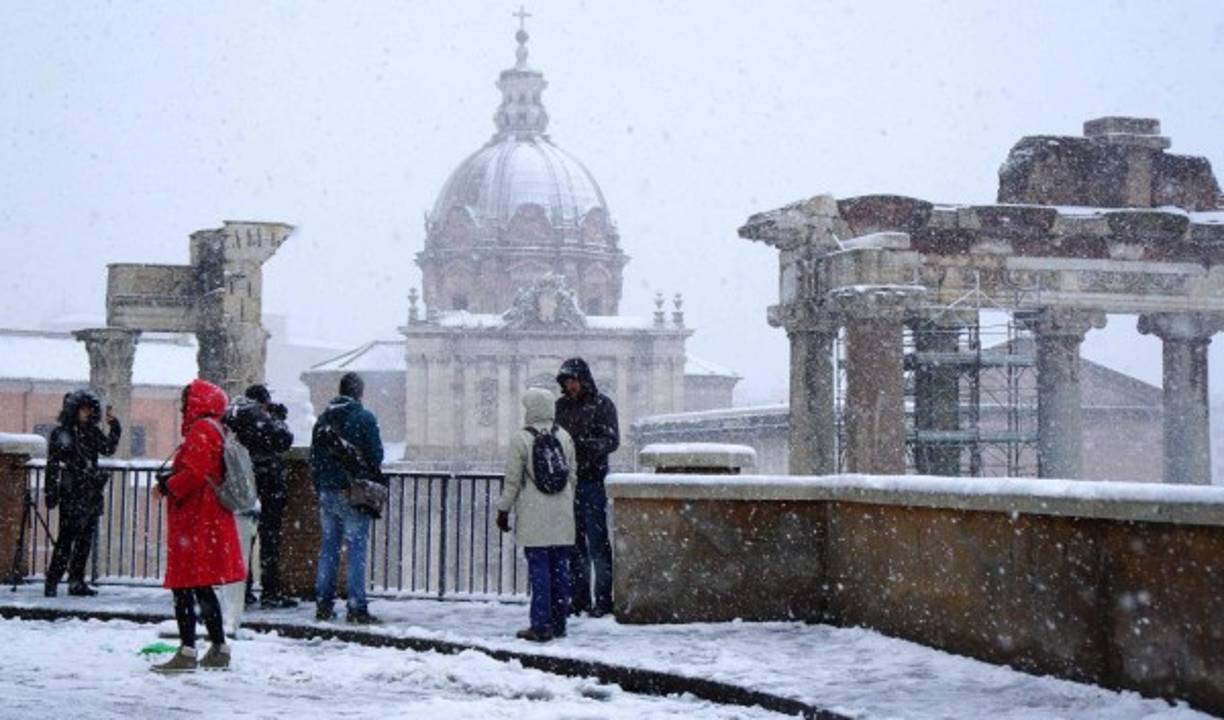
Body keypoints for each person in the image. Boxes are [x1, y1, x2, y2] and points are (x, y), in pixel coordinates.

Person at [151, 379, 246, 672]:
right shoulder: (216, 428)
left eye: (185, 401)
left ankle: (187, 651)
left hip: (195, 519)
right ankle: (218, 648)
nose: (182, 408)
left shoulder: (202, 430)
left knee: (183, 587)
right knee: (202, 587)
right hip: (207, 518)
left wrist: (167, 486)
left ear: (196, 403)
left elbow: (194, 473)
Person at [496, 388, 577, 642]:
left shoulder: (521, 439)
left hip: (534, 514)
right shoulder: (564, 436)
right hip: (562, 514)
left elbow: (512, 481)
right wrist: (565, 502)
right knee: (560, 571)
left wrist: (503, 510)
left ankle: (541, 625)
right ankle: (559, 623)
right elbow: (572, 476)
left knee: (540, 571)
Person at [309, 371, 384, 625]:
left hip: (327, 492)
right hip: (353, 492)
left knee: (329, 549)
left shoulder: (323, 420)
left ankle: (323, 604)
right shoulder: (364, 418)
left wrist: (321, 484)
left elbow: (314, 459)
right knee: (356, 550)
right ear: (360, 393)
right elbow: (376, 455)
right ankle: (356, 607)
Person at [554, 357, 619, 617]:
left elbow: (612, 441)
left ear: (583, 380)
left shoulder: (603, 404)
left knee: (597, 545)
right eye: (567, 382)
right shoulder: (561, 406)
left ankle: (603, 601)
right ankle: (579, 599)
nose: (570, 386)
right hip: (569, 483)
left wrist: (581, 446)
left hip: (592, 481)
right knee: (574, 545)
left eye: (573, 381)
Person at [224, 384, 296, 609]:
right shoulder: (263, 420)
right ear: (264, 402)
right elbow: (284, 440)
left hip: (245, 485)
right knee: (270, 539)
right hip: (269, 485)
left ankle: (243, 590)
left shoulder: (237, 418)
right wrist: (279, 418)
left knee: (245, 539)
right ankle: (270, 592)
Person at [44, 389, 121, 597]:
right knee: (66, 540)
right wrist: (50, 492)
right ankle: (53, 581)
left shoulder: (92, 432)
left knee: (84, 541)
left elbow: (107, 449)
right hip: (72, 493)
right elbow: (52, 465)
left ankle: (76, 582)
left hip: (91, 493)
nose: (87, 413)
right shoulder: (61, 434)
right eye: (83, 409)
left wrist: (114, 426)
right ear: (74, 410)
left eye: (89, 409)